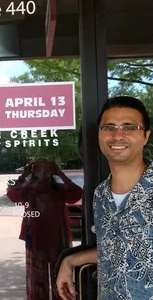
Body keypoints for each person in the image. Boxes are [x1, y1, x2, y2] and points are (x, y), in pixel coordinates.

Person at [56, 96, 152, 300]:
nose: (118, 135)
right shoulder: (100, 195)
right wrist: (70, 261)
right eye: (108, 127)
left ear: (146, 136)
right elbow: (116, 249)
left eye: (129, 127)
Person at [7, 160, 82, 300]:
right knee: (36, 279)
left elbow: (77, 194)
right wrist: (23, 176)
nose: (44, 174)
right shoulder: (28, 190)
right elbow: (12, 194)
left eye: (47, 171)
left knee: (61, 276)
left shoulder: (58, 190)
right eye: (40, 170)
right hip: (36, 240)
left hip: (58, 239)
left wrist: (61, 174)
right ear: (34, 172)